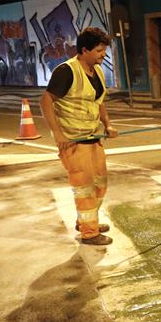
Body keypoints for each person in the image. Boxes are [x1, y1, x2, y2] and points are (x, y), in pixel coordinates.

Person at [40, 27, 118, 246]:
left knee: (100, 184)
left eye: (104, 50)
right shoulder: (66, 71)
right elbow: (45, 101)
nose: (103, 55)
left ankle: (86, 221)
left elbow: (99, 102)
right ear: (84, 50)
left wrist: (108, 125)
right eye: (99, 51)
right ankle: (90, 233)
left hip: (93, 137)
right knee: (84, 188)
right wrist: (58, 134)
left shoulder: (98, 71)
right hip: (74, 141)